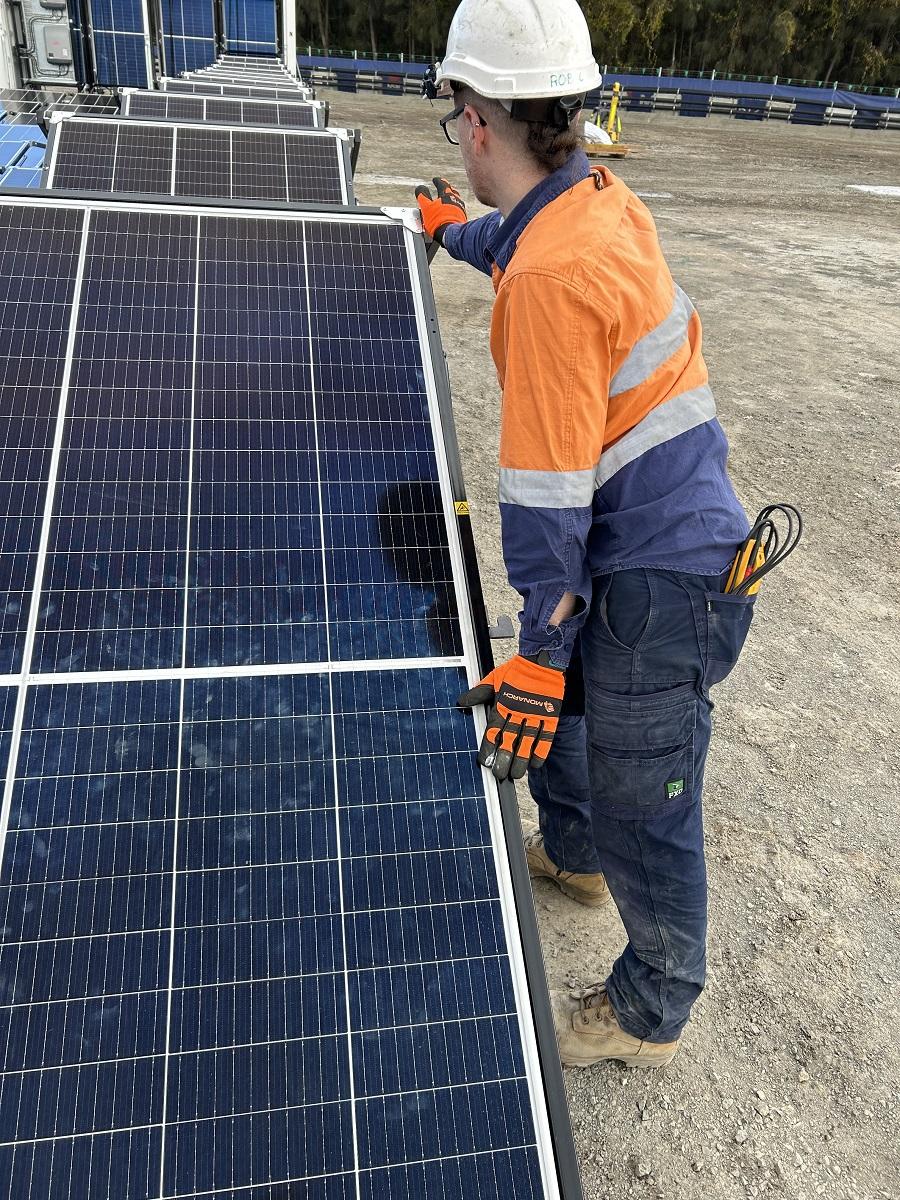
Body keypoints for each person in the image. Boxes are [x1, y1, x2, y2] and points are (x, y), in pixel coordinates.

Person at [415, 0, 755, 1069]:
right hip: (656, 538)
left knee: (638, 791)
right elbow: (524, 230)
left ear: (476, 120)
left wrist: (539, 655)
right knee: (564, 715)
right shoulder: (596, 198)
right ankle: (573, 857)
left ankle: (651, 1010)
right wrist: (448, 235)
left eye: (454, 119)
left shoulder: (551, 282)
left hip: (668, 578)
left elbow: (550, 511)